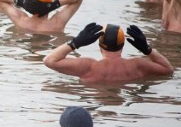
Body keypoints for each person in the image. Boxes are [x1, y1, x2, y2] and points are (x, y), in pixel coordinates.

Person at [43, 22, 174, 83]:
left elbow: (49, 61)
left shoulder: (88, 66)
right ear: (122, 46)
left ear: (100, 46)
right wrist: (147, 50)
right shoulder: (137, 65)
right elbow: (168, 69)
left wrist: (75, 43)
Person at [0, 0, 85, 32]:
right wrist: (54, 5)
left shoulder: (21, 21)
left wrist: (22, 2)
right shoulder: (57, 24)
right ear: (49, 3)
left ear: (29, 3)